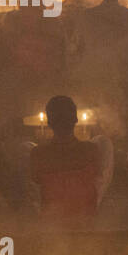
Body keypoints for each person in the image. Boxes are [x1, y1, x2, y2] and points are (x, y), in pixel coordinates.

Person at [30, 95, 101, 226]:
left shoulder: (39, 154)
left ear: (49, 123)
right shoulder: (91, 151)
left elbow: (33, 189)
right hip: (86, 228)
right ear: (75, 119)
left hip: (53, 229)